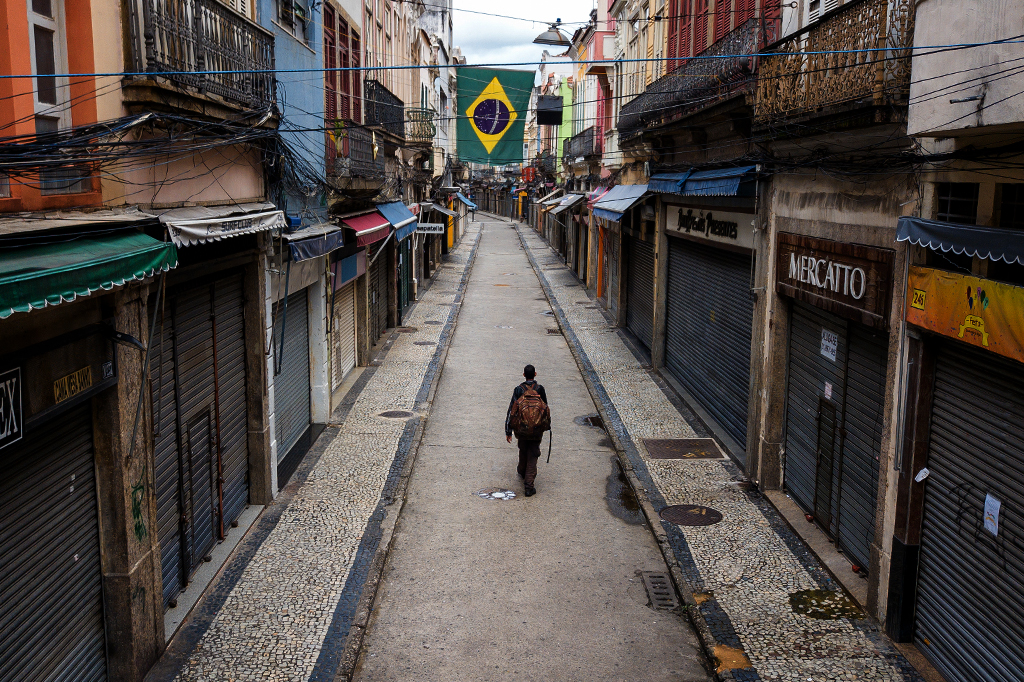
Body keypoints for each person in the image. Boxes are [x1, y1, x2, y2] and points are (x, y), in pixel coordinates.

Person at [505, 364, 548, 496]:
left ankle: (522, 471)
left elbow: (511, 410)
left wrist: (508, 430)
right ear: (535, 374)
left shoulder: (518, 390)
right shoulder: (540, 389)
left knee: (523, 448)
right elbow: (546, 408)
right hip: (536, 429)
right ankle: (529, 487)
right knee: (533, 454)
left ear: (524, 375)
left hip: (521, 429)